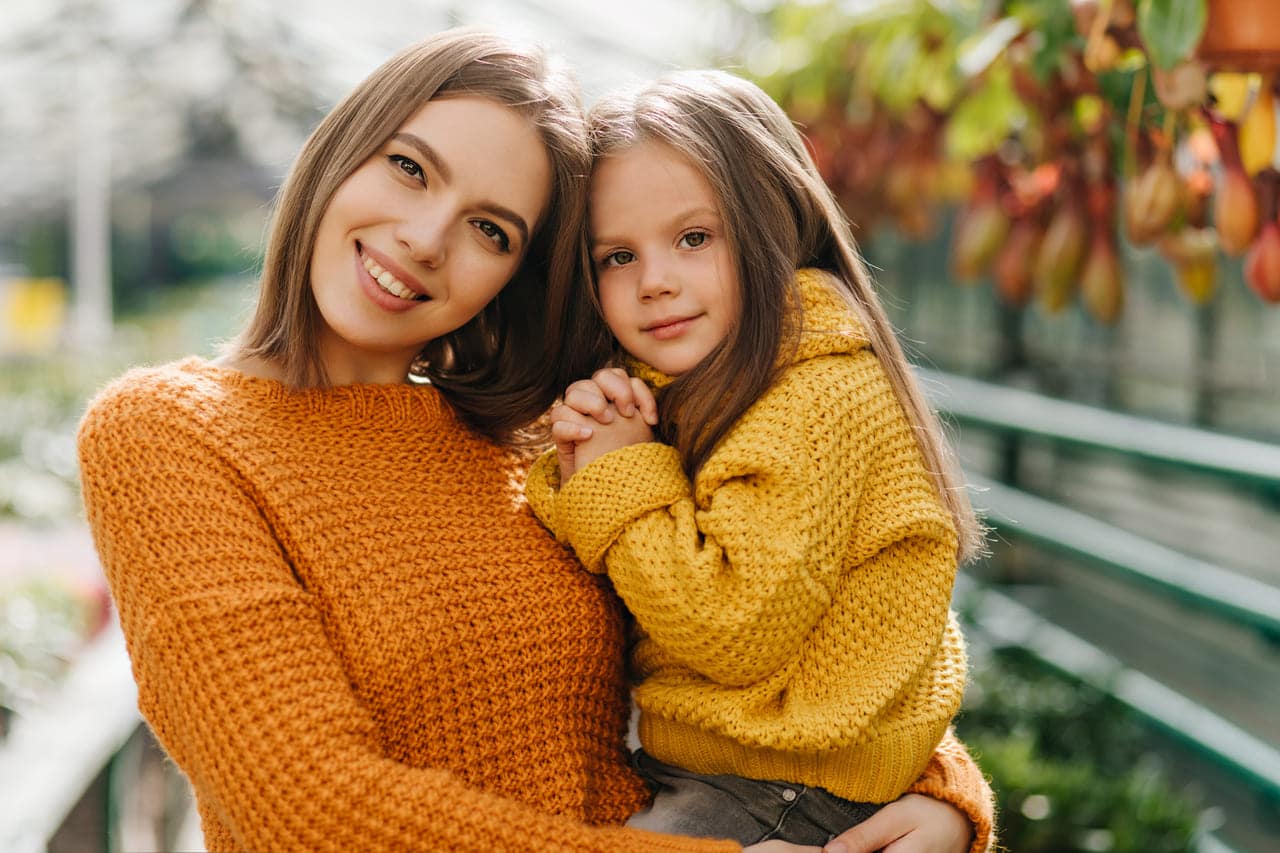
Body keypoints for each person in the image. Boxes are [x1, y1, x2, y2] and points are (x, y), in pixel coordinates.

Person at [76, 29, 991, 853]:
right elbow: (314, 808)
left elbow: (801, 621)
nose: (427, 238)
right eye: (409, 168)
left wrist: (941, 795)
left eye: (490, 229)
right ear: (341, 150)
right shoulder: (171, 434)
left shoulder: (550, 438)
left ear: (519, 275)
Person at [524, 68, 990, 852]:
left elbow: (731, 627)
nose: (656, 282)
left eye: (694, 238)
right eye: (616, 257)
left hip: (775, 792)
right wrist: (585, 452)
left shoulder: (818, 397)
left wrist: (609, 471)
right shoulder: (694, 380)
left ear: (774, 224)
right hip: (741, 773)